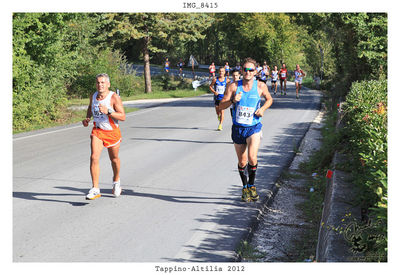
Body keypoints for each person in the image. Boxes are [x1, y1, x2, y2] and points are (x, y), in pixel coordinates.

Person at [219, 58, 273, 202]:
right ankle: (245, 188)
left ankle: (252, 185)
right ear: (242, 71)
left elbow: (269, 99)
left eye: (251, 70)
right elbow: (221, 106)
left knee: (252, 157)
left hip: (254, 127)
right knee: (242, 162)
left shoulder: (260, 86)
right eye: (245, 69)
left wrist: (262, 109)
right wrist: (232, 101)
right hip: (238, 128)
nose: (248, 72)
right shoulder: (233, 86)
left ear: (255, 71)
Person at [82, 73, 126, 200]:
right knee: (94, 157)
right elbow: (91, 107)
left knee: (114, 159)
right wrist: (88, 118)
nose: (100, 85)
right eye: (98, 82)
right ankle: (95, 188)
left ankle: (116, 181)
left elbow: (122, 116)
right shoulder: (93, 95)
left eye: (102, 82)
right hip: (98, 131)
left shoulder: (114, 97)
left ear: (108, 84)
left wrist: (109, 111)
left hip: (112, 132)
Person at [209, 67, 230, 131]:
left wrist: (227, 94)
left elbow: (229, 88)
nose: (221, 73)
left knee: (222, 111)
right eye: (220, 71)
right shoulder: (215, 80)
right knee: (217, 111)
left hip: (223, 98)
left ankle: (220, 125)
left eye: (222, 71)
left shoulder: (227, 80)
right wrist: (214, 92)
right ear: (218, 72)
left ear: (224, 72)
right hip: (217, 98)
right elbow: (210, 86)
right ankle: (219, 116)